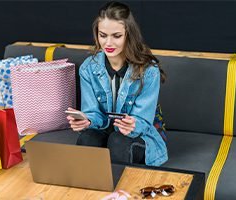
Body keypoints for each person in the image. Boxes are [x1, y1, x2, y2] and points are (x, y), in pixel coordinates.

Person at [66, 1, 167, 166]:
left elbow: (143, 121)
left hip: (138, 135)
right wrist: (87, 120)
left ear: (129, 35)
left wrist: (132, 125)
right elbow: (93, 113)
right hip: (105, 130)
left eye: (117, 36)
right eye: (103, 35)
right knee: (87, 138)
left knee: (118, 140)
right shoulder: (88, 69)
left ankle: (119, 191)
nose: (108, 43)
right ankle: (86, 188)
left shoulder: (149, 71)